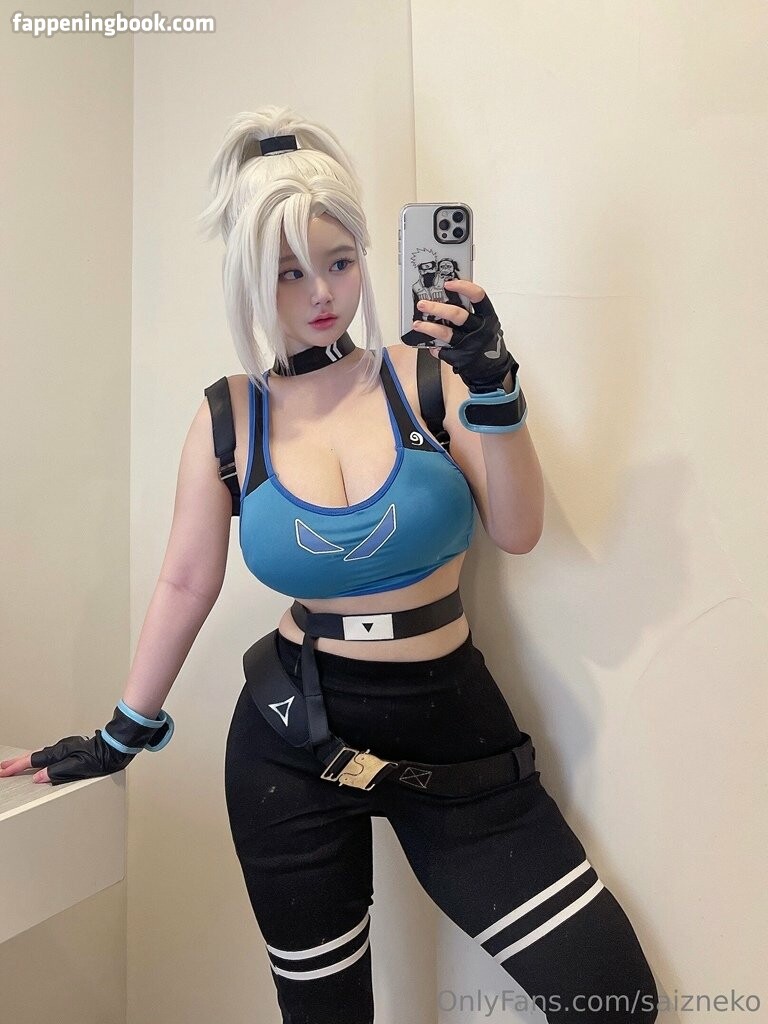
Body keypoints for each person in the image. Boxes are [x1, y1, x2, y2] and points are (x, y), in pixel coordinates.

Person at [0, 105, 659, 1024]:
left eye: (339, 262)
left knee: (612, 1000)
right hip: (289, 738)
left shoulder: (429, 375)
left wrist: (496, 386)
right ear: (246, 279)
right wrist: (122, 732)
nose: (321, 293)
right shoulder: (230, 417)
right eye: (288, 272)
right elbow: (187, 580)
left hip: (451, 725)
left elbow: (518, 530)